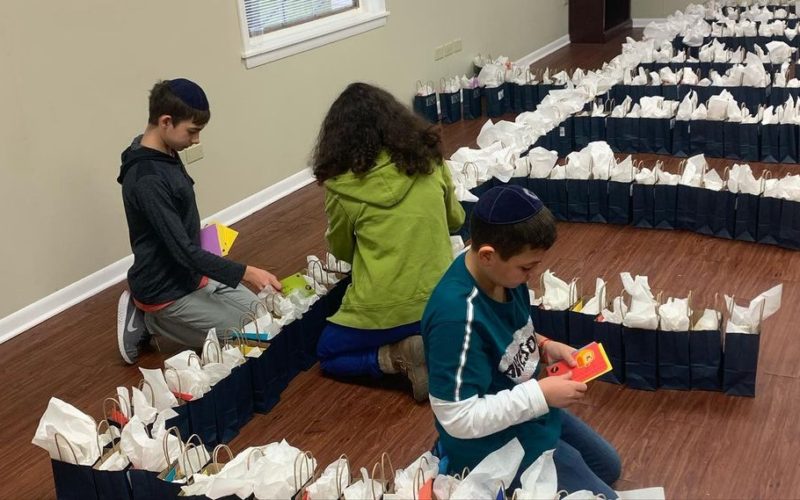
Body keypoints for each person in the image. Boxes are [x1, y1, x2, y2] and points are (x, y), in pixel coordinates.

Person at [422, 185, 621, 495]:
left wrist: (543, 345)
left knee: (609, 467)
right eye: (527, 267)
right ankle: (452, 462)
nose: (532, 274)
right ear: (488, 255)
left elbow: (509, 329)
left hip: (524, 405)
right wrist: (540, 395)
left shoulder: (501, 274)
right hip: (492, 442)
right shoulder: (456, 317)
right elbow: (457, 417)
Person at [312, 82, 465, 401]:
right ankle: (425, 343)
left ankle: (393, 357)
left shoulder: (341, 187)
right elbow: (456, 221)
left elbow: (341, 252)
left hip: (381, 307)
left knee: (327, 353)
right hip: (440, 301)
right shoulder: (429, 161)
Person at [116, 78, 281, 364]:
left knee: (264, 315)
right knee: (253, 334)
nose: (196, 140)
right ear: (165, 121)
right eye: (192, 131)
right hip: (165, 291)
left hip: (192, 275)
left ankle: (168, 316)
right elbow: (182, 251)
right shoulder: (147, 179)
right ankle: (149, 320)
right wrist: (247, 271)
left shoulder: (163, 150)